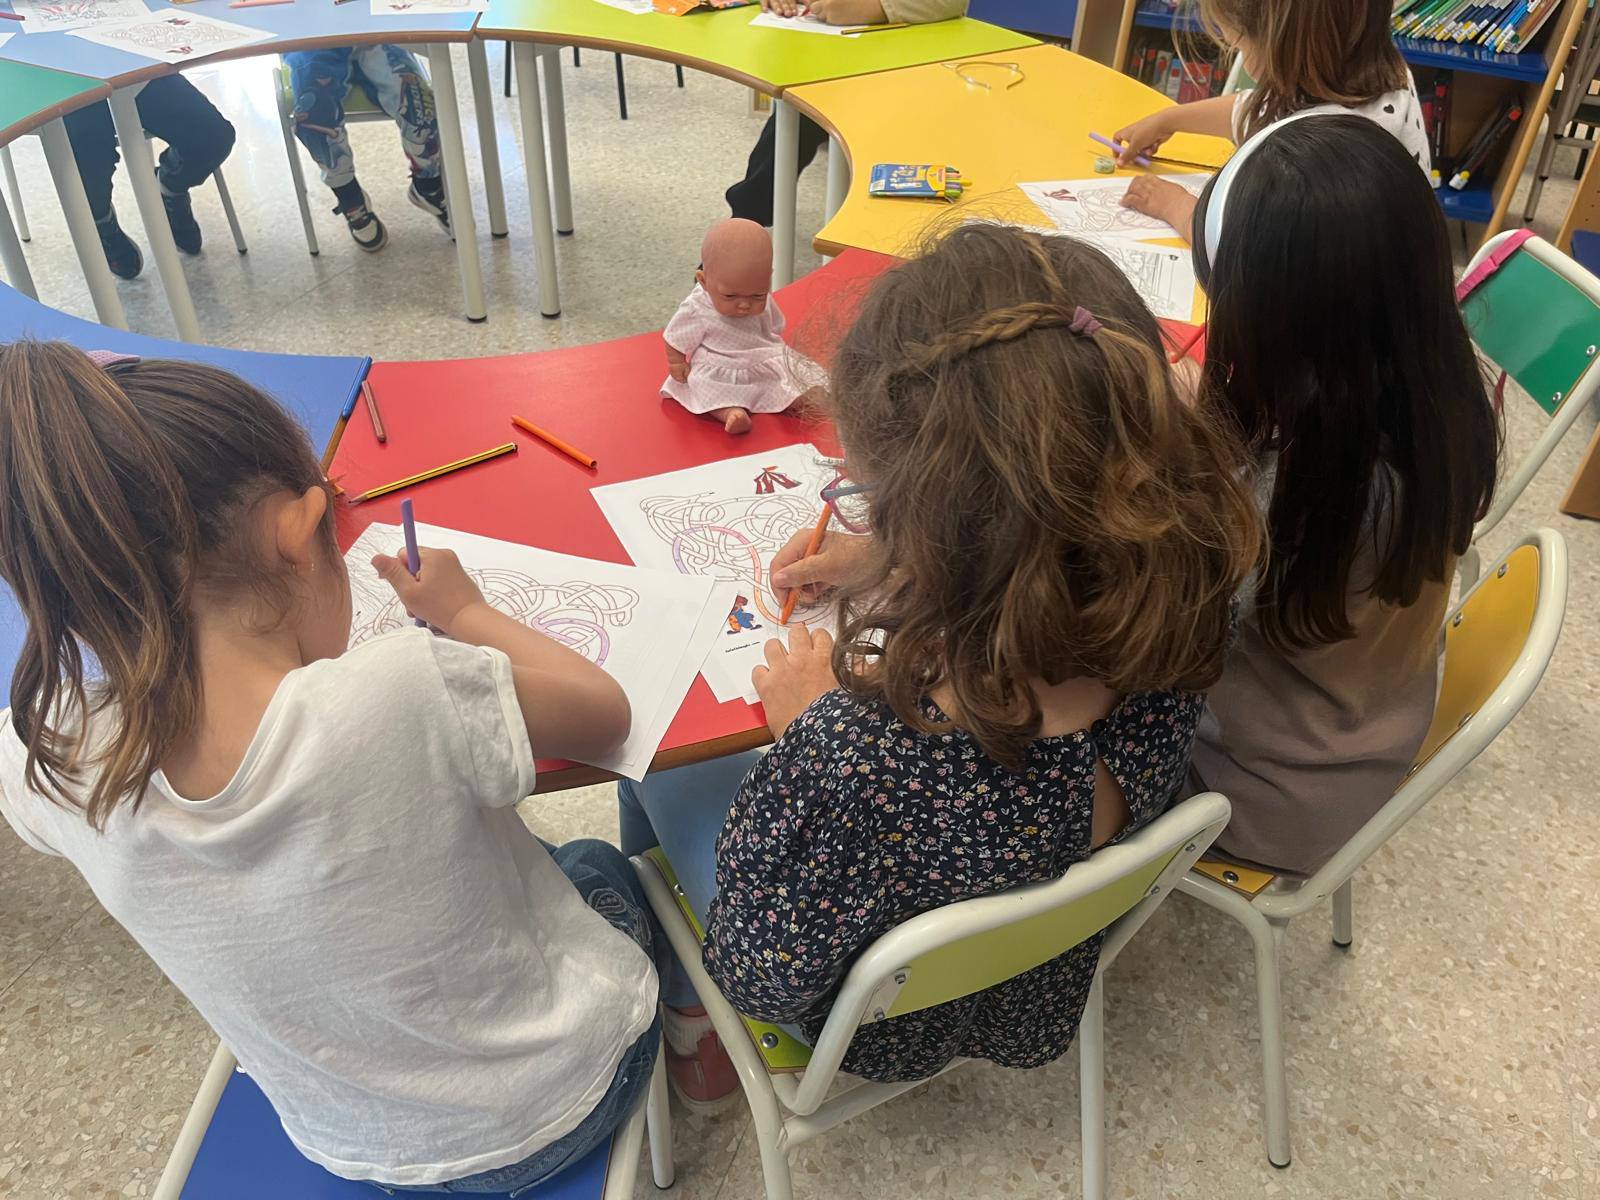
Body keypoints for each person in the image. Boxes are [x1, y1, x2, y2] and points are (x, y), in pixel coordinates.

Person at [617, 224, 1262, 1104]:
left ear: (928, 513)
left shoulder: (850, 761)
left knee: (649, 754)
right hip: (1037, 982)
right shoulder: (1182, 598)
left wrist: (810, 733)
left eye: (868, 497)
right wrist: (899, 555)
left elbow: (764, 974)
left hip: (881, 1027)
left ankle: (686, 1021)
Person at [0, 343, 663, 1193]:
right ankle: (688, 1035)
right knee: (598, 866)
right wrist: (464, 611)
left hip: (354, 1139)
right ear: (298, 530)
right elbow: (605, 713)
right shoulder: (402, 689)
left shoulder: (50, 754)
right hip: (552, 1107)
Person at [1184, 113, 1499, 877]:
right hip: (1360, 740)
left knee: (1040, 699)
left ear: (1275, 327)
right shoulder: (1450, 399)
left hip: (1256, 796)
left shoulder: (1300, 497)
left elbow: (1158, 626)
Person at [1111, 0, 1430, 242]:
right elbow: (1261, 110)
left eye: (1238, 43)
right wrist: (1170, 120)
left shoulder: (1316, 159)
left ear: (1282, 44)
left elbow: (1235, 255)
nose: (1235, 49)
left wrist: (1173, 205)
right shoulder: (1375, 75)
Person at [726, 0, 968, 225]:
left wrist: (876, 8)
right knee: (789, 126)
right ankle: (743, 232)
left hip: (912, 63)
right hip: (829, 55)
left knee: (894, 171)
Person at [62, 77, 237, 280]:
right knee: (87, 166)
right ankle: (101, 221)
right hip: (67, 84)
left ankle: (170, 187)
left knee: (214, 136)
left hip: (135, 71)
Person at [662, 218, 823, 434]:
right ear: (703, 280)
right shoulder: (698, 307)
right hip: (721, 364)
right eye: (730, 296)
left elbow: (774, 327)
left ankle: (799, 399)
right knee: (704, 386)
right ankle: (730, 412)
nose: (745, 304)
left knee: (790, 376)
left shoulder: (758, 292)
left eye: (757, 295)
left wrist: (773, 346)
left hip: (761, 356)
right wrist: (676, 362)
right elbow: (675, 337)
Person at [283, 45, 451, 251]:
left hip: (376, 32)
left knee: (420, 106)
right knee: (313, 113)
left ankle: (428, 185)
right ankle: (349, 195)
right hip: (313, 41)